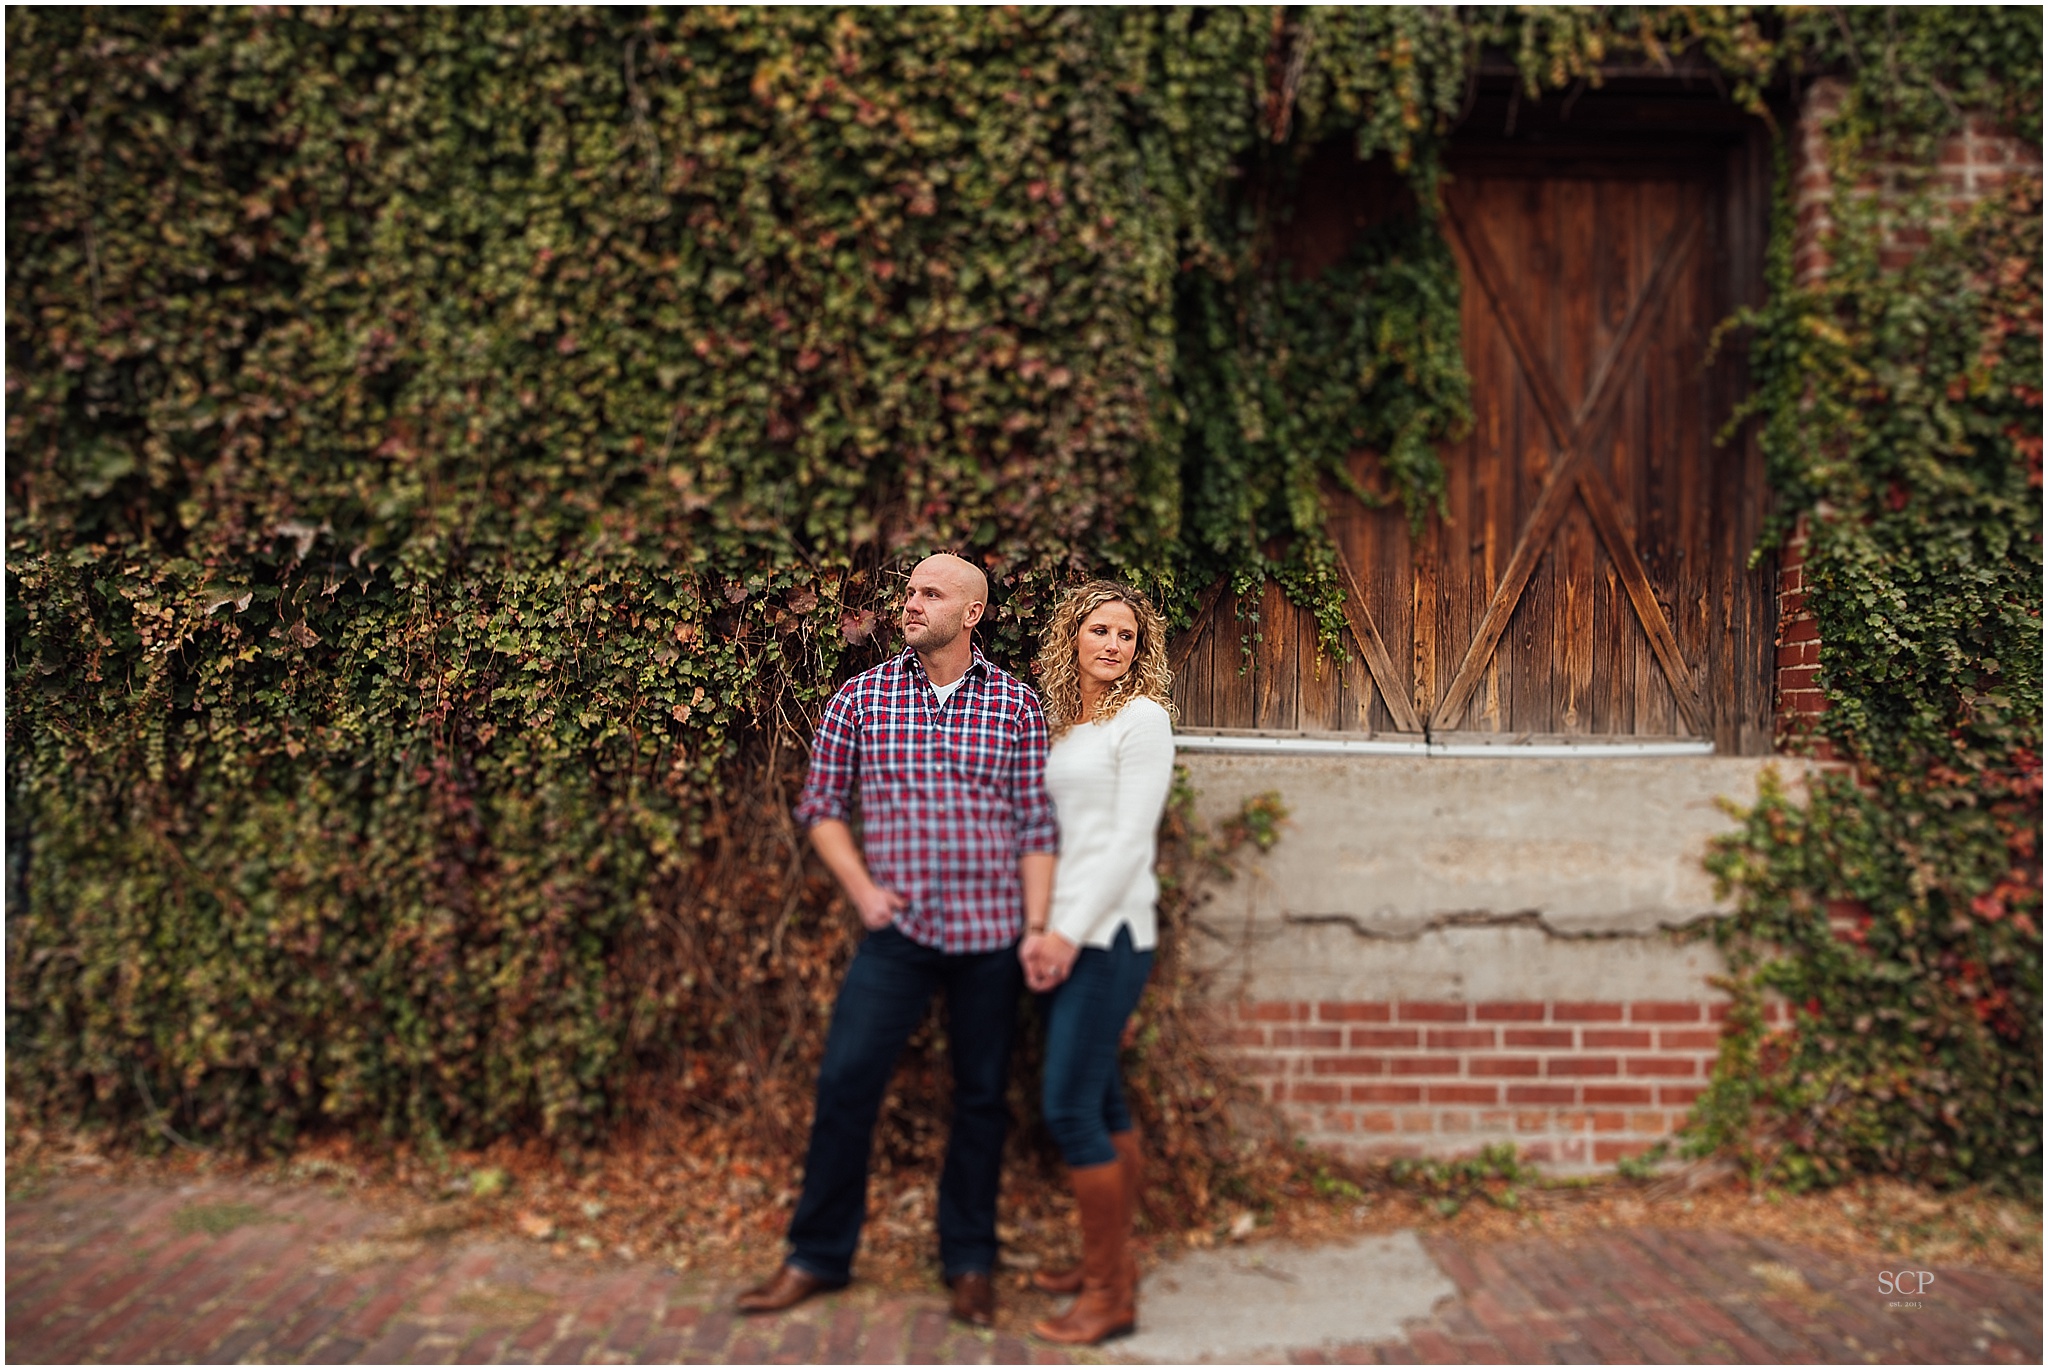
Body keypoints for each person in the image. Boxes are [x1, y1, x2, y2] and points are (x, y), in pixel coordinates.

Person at [736, 553, 1057, 1329]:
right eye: (909, 592)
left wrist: (1038, 927)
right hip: (898, 933)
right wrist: (863, 891)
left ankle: (971, 1261)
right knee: (847, 1083)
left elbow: (1038, 825)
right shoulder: (861, 698)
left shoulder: (1016, 706)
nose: (910, 604)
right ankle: (817, 1255)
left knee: (980, 1100)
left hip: (990, 935)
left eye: (930, 593)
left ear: (971, 613)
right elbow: (821, 807)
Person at [1019, 580, 1176, 1345]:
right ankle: (1106, 1262)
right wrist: (1039, 924)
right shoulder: (1064, 724)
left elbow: (1127, 843)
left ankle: (1112, 1295)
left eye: (1127, 636)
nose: (1114, 645)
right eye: (1100, 630)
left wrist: (1066, 933)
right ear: (1073, 636)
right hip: (1063, 933)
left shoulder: (1142, 720)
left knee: (1070, 1110)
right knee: (1105, 1102)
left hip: (1107, 937)